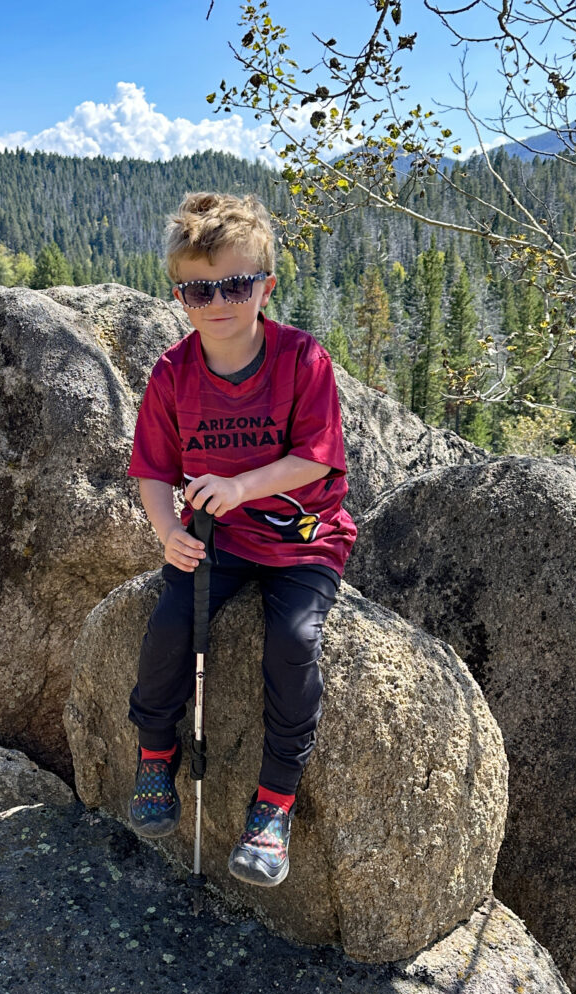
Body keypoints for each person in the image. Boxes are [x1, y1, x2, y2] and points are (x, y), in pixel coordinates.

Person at [126, 192, 356, 887]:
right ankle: (154, 757)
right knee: (169, 626)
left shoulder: (300, 359)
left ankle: (274, 803)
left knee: (292, 640)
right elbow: (152, 470)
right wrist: (168, 531)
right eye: (199, 290)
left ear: (265, 287)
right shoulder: (173, 373)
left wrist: (239, 486)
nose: (217, 302)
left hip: (304, 539)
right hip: (215, 538)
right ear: (179, 296)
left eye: (235, 285)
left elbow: (315, 459)